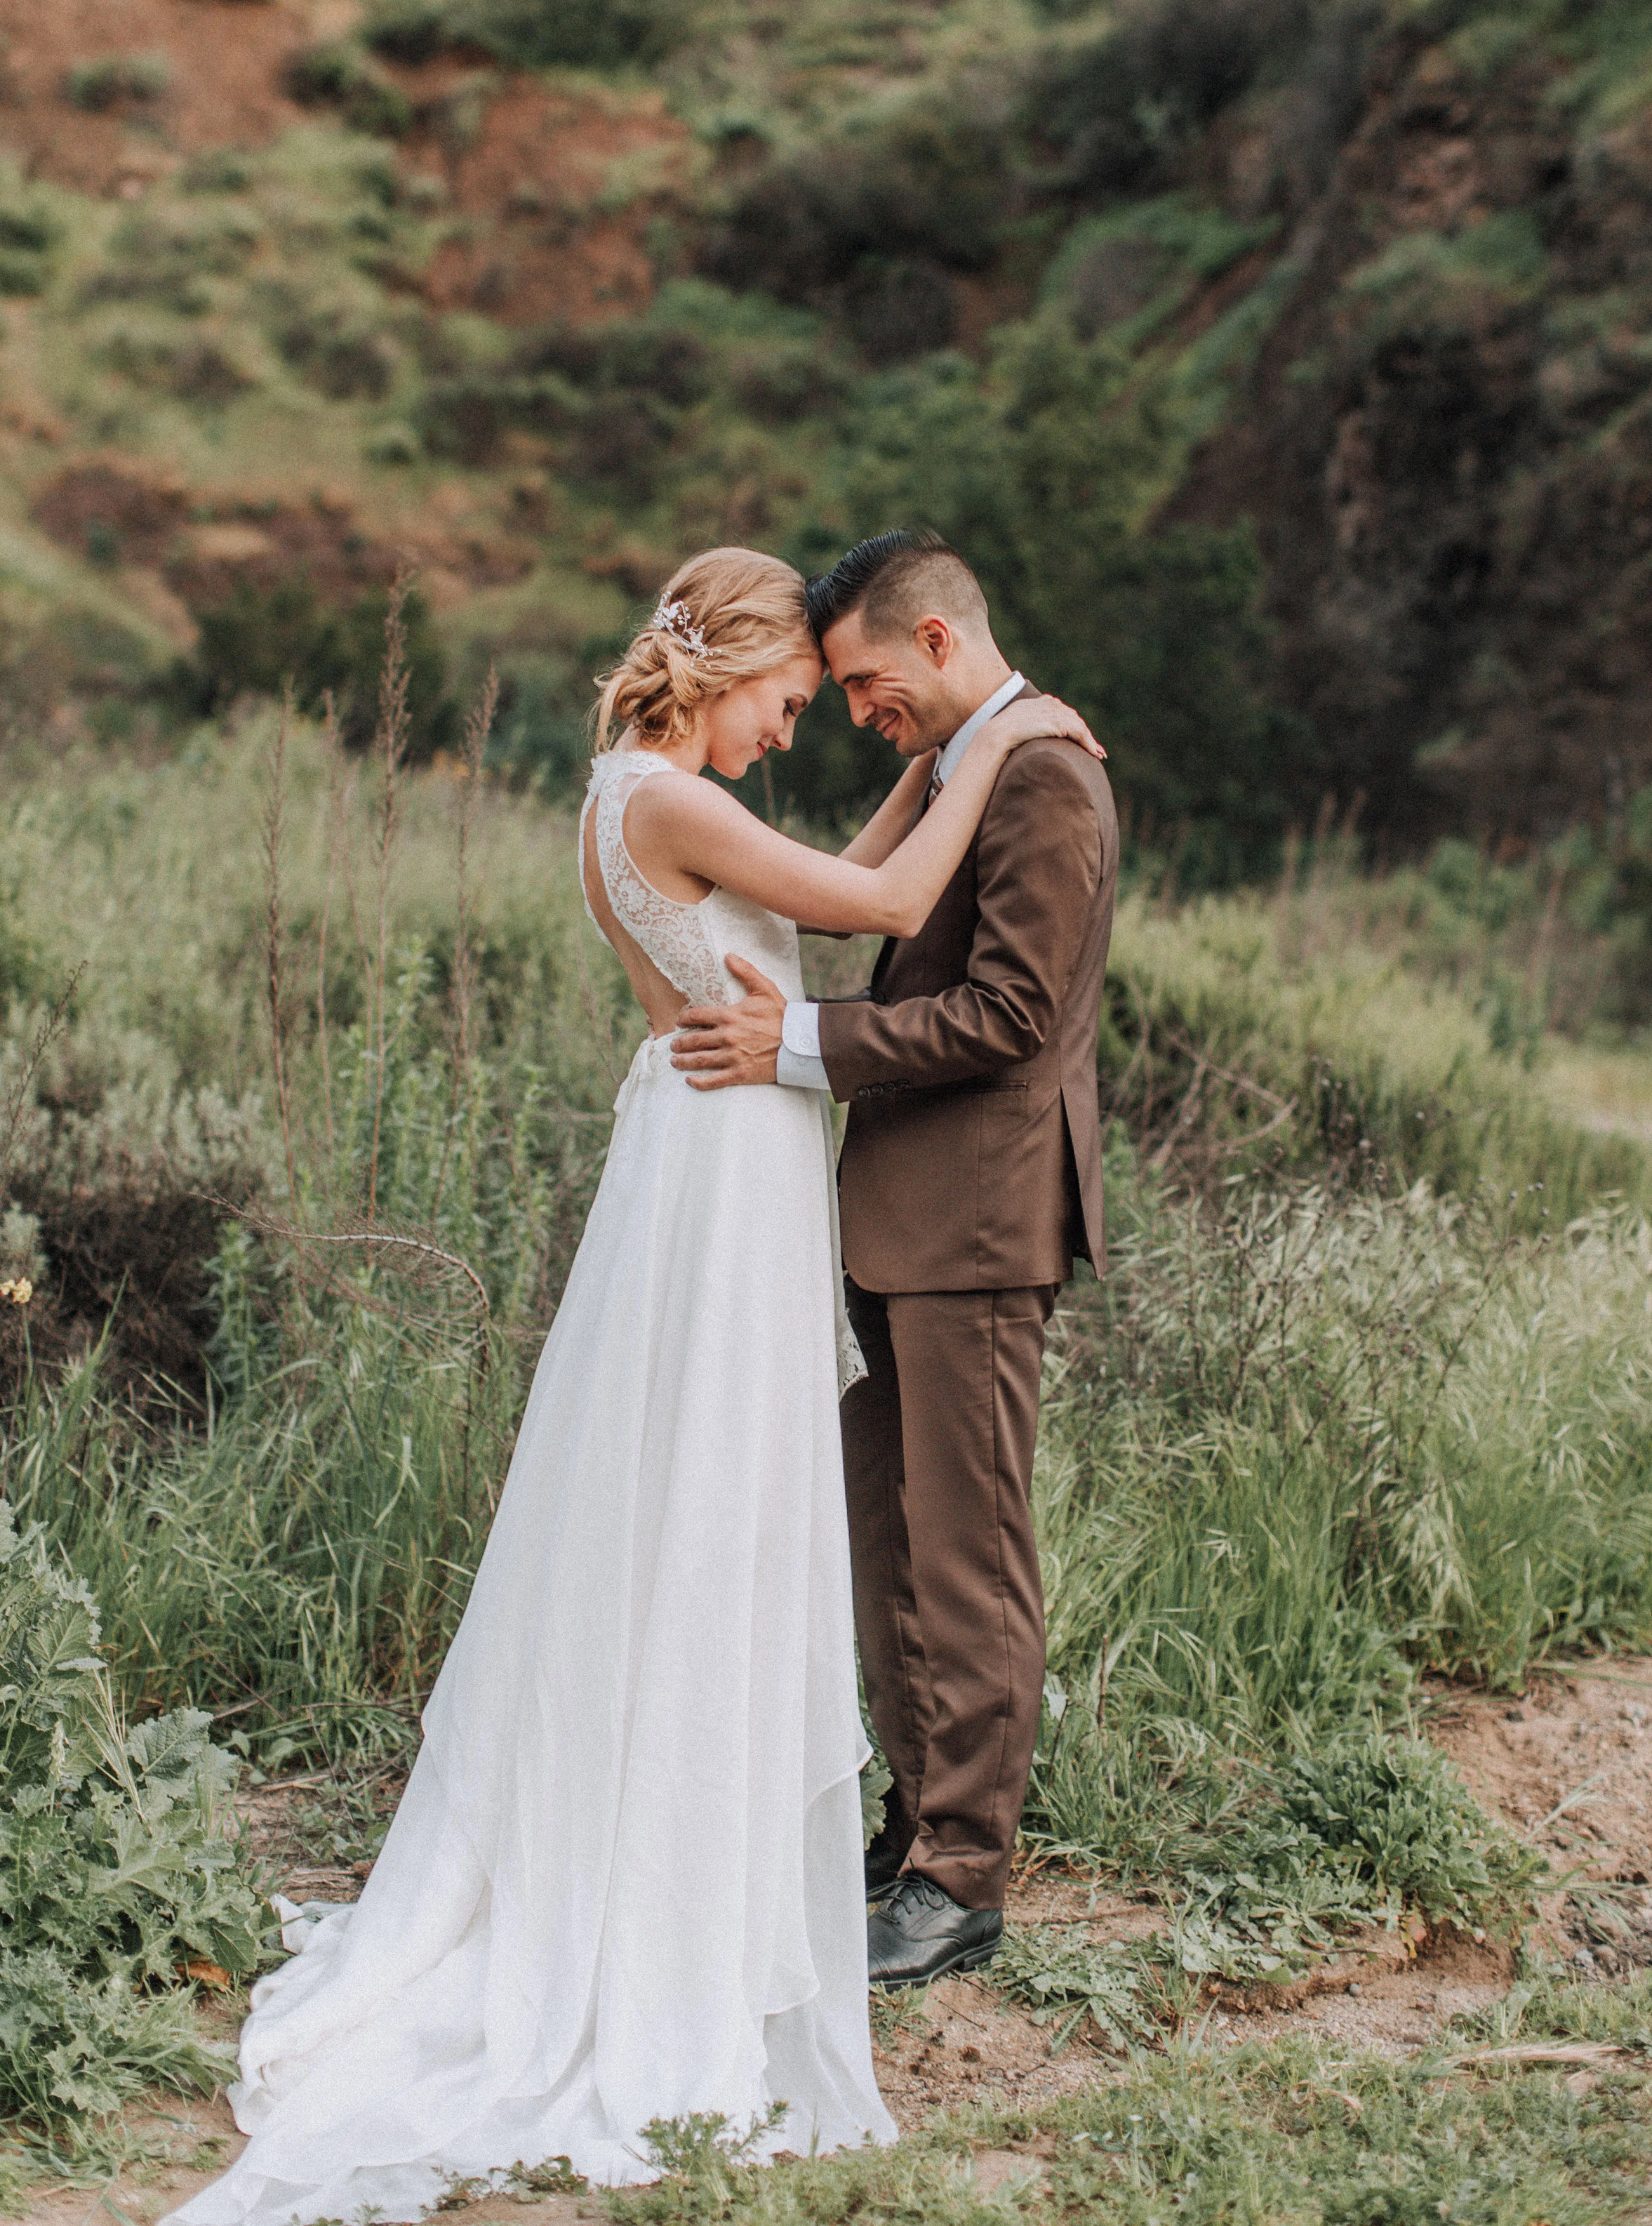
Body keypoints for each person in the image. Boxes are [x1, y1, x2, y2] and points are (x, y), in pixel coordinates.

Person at [171, 546, 1102, 2226]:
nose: (799, 729)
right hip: (727, 1154)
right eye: (789, 700)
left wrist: (949, 755)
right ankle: (705, 1863)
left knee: (729, 1503)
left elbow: (840, 867)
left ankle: (784, 1842)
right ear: (720, 669)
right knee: (720, 1508)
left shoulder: (650, 796)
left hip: (726, 1153)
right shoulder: (663, 802)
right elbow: (880, 910)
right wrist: (1002, 736)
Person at [672, 531, 1119, 1992]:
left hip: (981, 1225)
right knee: (892, 1548)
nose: (855, 714)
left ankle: (963, 1879)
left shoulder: (1044, 771)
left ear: (934, 643)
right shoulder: (964, 760)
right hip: (893, 1217)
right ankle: (914, 1830)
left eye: (863, 684)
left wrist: (793, 1046)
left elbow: (1008, 1013)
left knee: (969, 1556)